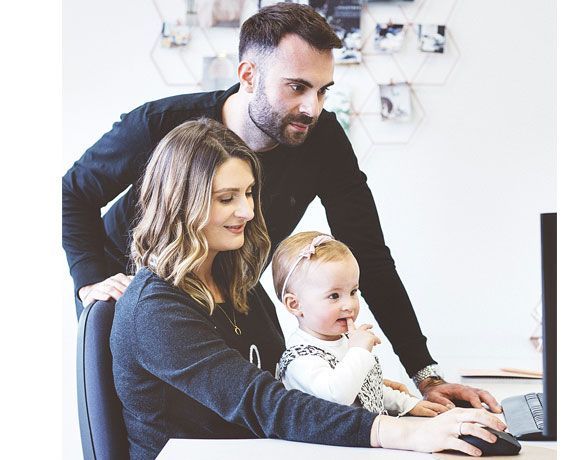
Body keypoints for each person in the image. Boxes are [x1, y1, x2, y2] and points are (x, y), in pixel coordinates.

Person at [63, 2, 500, 410]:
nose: (312, 108)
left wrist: (426, 376)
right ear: (249, 75)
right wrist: (91, 282)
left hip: (226, 297)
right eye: (297, 87)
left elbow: (368, 254)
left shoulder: (322, 139)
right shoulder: (161, 125)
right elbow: (72, 193)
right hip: (136, 305)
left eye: (323, 91)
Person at [110, 117, 506, 458]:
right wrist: (401, 432)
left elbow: (282, 378)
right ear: (180, 203)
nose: (247, 211)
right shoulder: (155, 310)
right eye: (226, 198)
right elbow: (264, 404)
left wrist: (375, 396)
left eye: (248, 193)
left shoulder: (238, 281)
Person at [273, 231, 449, 417]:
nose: (349, 305)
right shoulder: (301, 357)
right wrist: (358, 352)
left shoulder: (341, 340)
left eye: (353, 291)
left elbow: (367, 389)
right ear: (295, 304)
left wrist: (408, 404)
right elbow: (337, 396)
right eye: (334, 296)